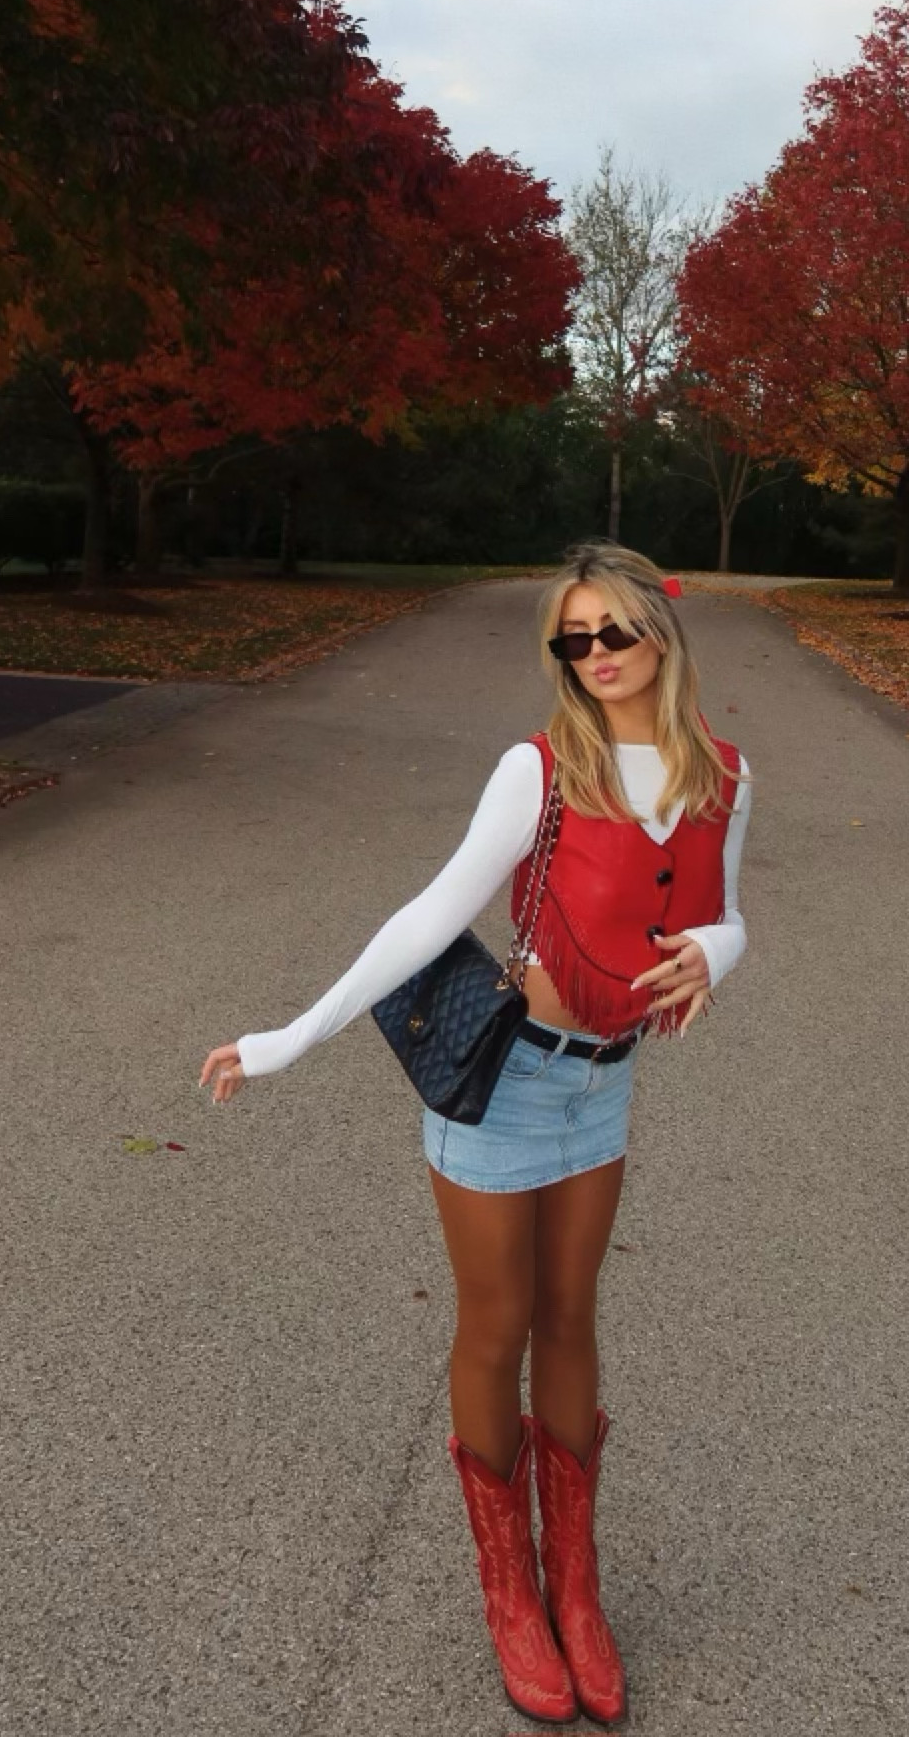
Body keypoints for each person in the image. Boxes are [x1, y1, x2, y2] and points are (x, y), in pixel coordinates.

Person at [199, 541, 753, 1728]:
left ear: (661, 630)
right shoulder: (542, 768)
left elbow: (730, 908)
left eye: (614, 631)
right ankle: (512, 1587)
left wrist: (721, 952)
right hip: (506, 1086)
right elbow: (430, 912)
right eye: (575, 638)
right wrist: (291, 1035)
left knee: (572, 1319)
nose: (596, 655)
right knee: (496, 1324)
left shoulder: (725, 775)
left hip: (604, 1087)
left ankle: (577, 1584)